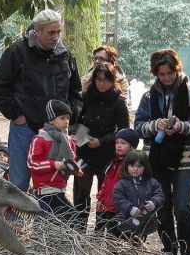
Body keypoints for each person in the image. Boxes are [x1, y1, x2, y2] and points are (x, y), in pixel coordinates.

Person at [0, 9, 82, 192]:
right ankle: (14, 222)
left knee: (53, 186)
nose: (56, 37)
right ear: (37, 31)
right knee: (19, 183)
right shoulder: (17, 52)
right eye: (50, 33)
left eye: (58, 32)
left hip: (56, 133)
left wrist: (70, 117)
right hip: (25, 127)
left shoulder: (65, 55)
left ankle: (47, 222)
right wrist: (16, 115)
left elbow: (76, 91)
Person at [134, 49, 190, 255]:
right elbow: (137, 126)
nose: (166, 78)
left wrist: (182, 127)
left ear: (177, 70)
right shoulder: (149, 96)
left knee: (182, 206)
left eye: (170, 73)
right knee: (161, 204)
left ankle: (189, 252)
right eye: (162, 74)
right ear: (156, 74)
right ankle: (169, 248)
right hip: (157, 158)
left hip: (185, 157)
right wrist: (154, 125)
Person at [72, 62, 129, 229]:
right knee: (82, 192)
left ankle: (101, 228)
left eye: (105, 80)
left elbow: (124, 130)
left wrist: (102, 141)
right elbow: (73, 122)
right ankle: (79, 226)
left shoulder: (118, 102)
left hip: (107, 155)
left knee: (105, 194)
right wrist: (85, 139)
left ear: (112, 81)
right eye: (98, 79)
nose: (102, 83)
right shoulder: (85, 97)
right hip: (84, 152)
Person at [28, 99, 83, 221]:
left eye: (68, 118)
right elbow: (32, 164)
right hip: (44, 190)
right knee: (50, 220)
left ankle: (57, 240)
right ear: (51, 119)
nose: (66, 122)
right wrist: (54, 164)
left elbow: (70, 159)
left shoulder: (68, 140)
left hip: (60, 188)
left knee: (63, 219)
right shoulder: (40, 138)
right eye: (62, 118)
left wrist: (74, 169)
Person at [113, 150, 165, 241]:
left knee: (138, 243)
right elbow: (118, 199)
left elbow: (160, 195)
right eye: (132, 166)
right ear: (126, 166)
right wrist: (130, 209)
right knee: (124, 243)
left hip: (144, 220)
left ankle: (137, 254)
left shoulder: (151, 182)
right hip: (125, 219)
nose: (135, 169)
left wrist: (153, 203)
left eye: (139, 166)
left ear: (145, 167)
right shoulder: (121, 184)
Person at [95, 128, 139, 234]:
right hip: (110, 208)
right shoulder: (113, 163)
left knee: (126, 238)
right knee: (111, 237)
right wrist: (100, 198)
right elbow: (106, 183)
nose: (119, 145)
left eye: (123, 143)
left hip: (125, 210)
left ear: (132, 147)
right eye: (117, 142)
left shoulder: (133, 166)